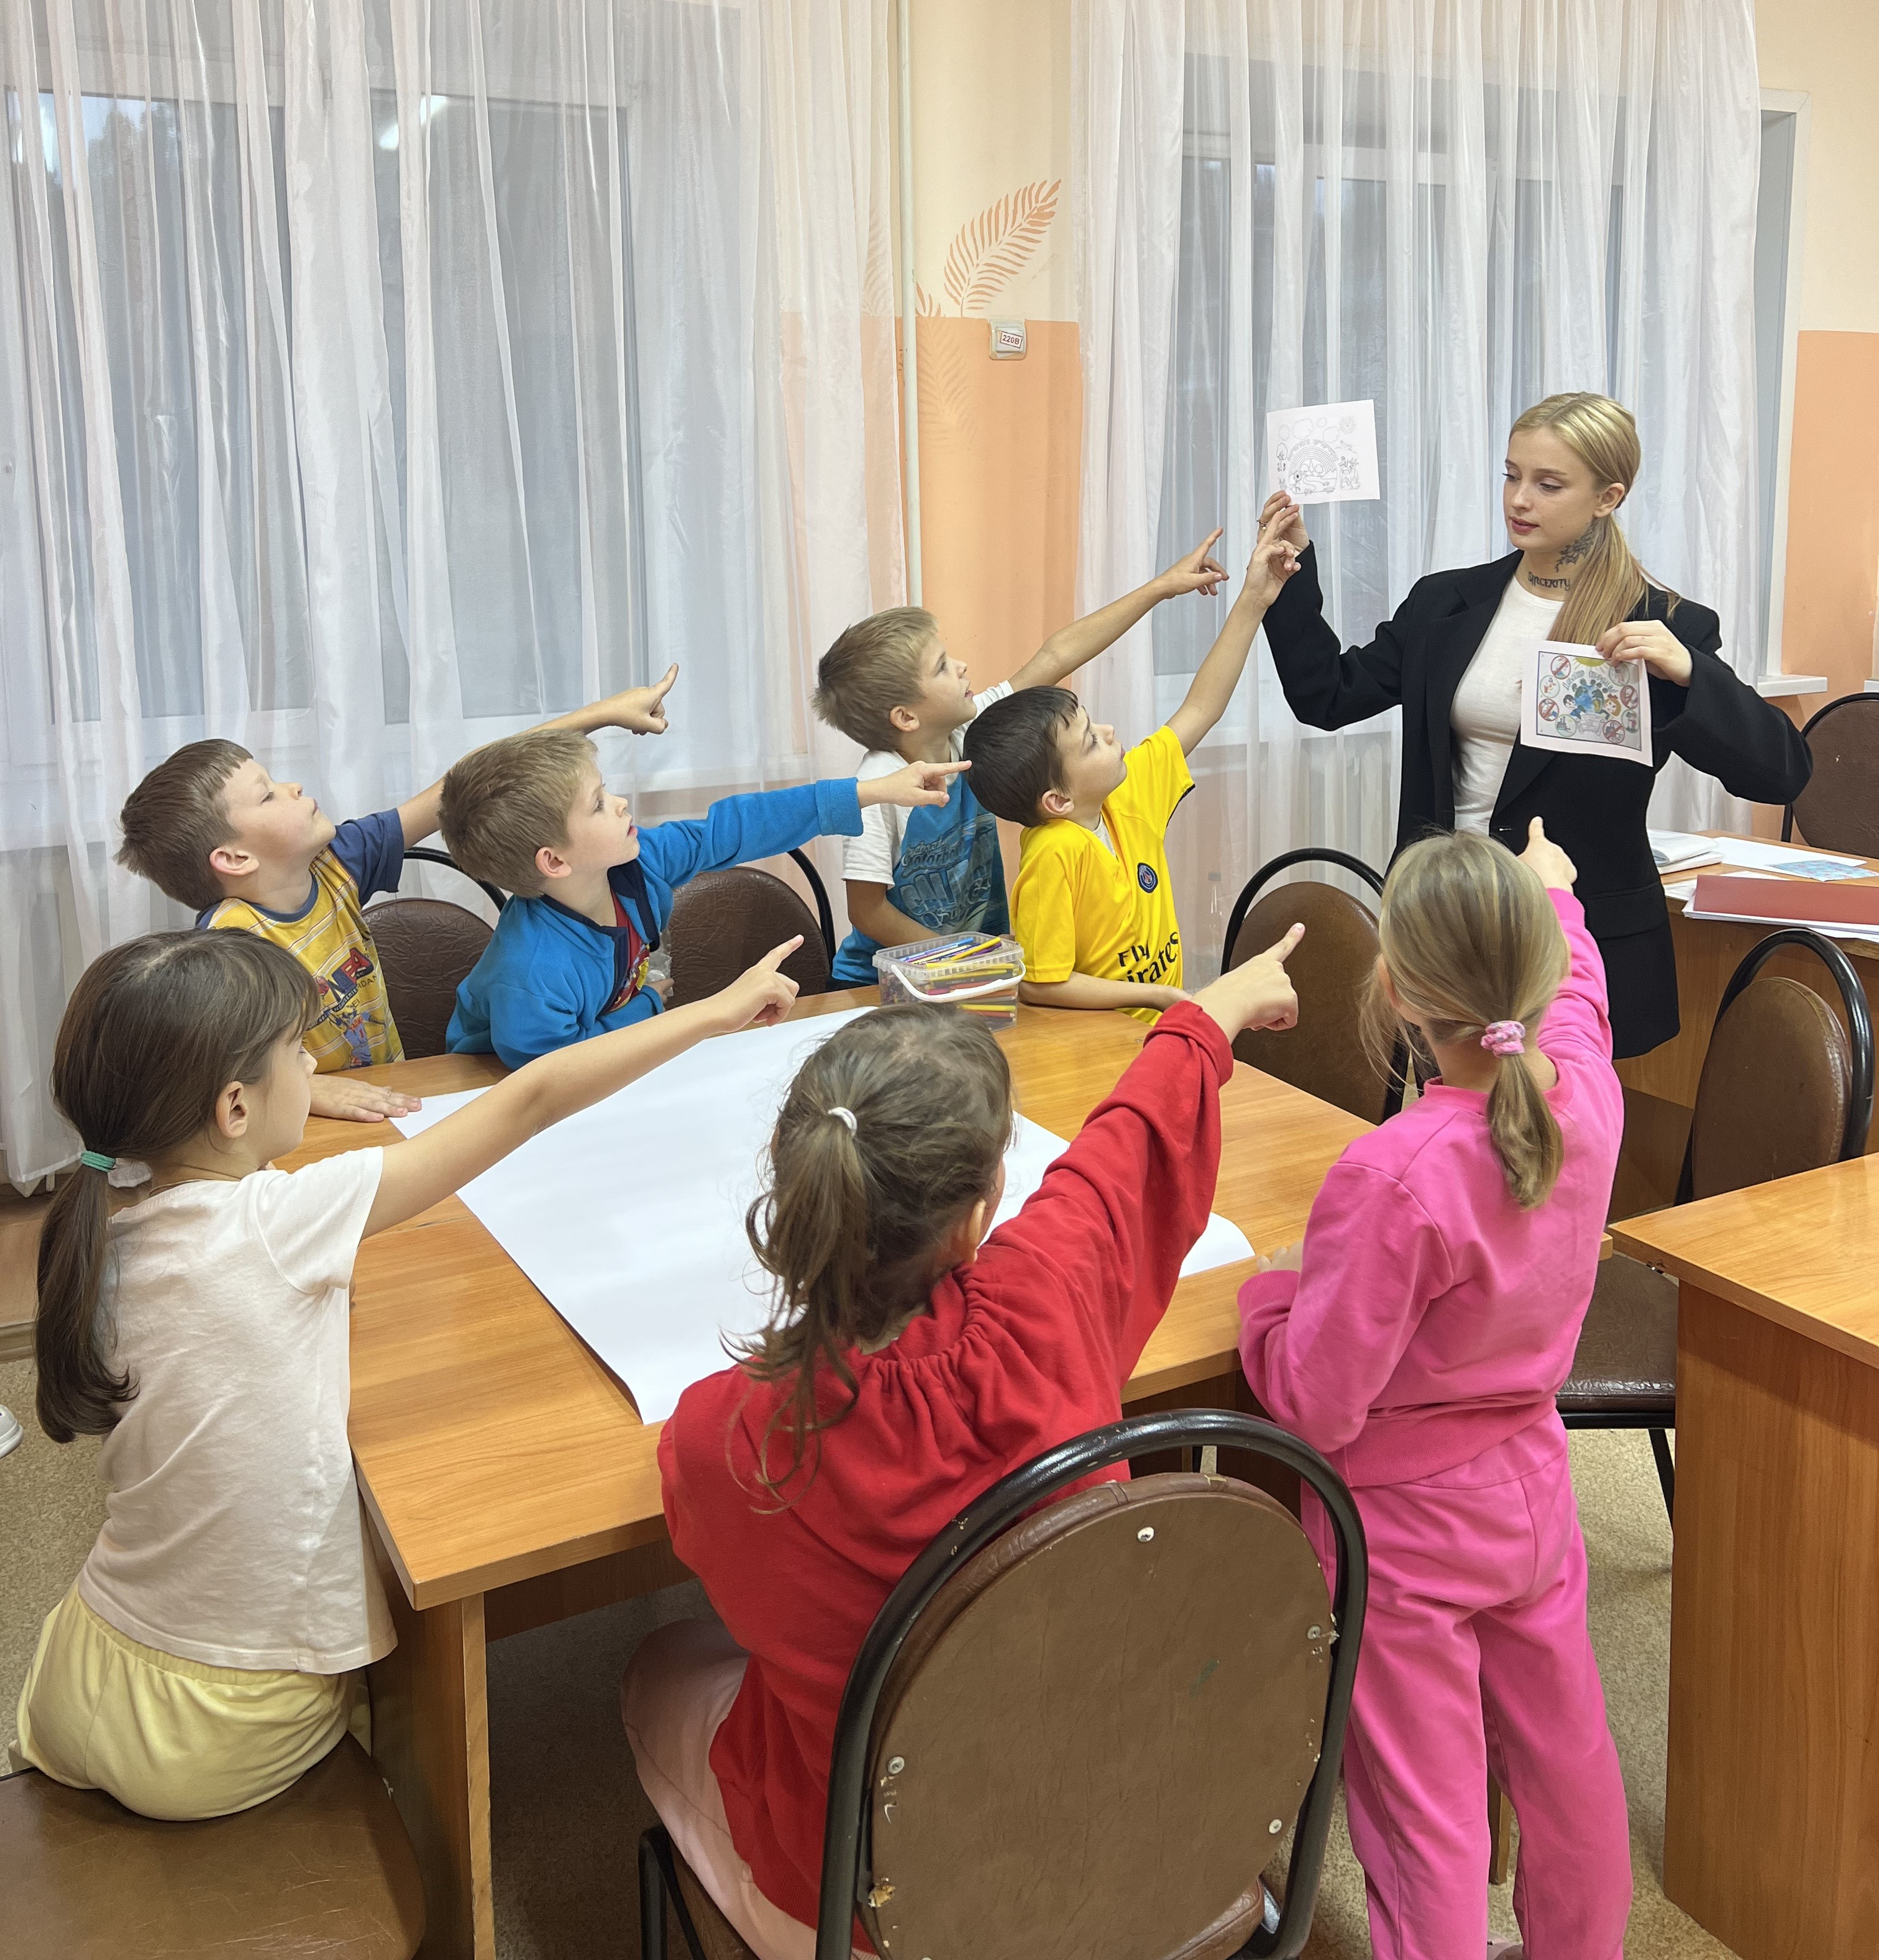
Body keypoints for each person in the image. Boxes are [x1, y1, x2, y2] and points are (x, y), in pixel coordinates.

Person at [16, 924, 802, 1821]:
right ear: (234, 1109)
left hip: (83, 1664)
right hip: (225, 1720)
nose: (311, 1069)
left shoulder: (101, 1232)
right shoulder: (277, 1223)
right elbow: (533, 1099)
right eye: (297, 1054)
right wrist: (714, 1013)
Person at [633, 926, 1306, 1959]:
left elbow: (713, 1557)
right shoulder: (1048, 1298)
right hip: (1111, 1813)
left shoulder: (728, 1437)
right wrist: (1210, 1013)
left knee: (658, 1663)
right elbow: (1126, 1150)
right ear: (976, 1214)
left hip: (873, 1907)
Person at [1238, 820, 1630, 1960]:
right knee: (1568, 1759)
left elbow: (1317, 1403)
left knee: (1427, 1816)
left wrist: (1270, 1300)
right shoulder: (1588, 1099)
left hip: (1401, 1533)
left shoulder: (1393, 1174)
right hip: (1532, 1492)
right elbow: (1580, 1002)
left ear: (1397, 992)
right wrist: (1555, 894)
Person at [1257, 390, 1811, 1057]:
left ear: (1608, 497)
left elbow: (1780, 774)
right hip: (1449, 923)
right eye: (1512, 475)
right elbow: (1327, 697)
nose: (1519, 500)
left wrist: (1692, 672)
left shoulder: (1659, 624)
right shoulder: (1445, 603)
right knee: (1449, 1116)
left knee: (1560, 1122)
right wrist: (1290, 576)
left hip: (1575, 942)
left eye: (1548, 485)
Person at [113, 670, 681, 1122]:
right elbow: (212, 1072)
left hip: (390, 1096)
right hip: (296, 1123)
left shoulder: (338, 863)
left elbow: (474, 781)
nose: (293, 787)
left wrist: (601, 714)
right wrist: (314, 1093)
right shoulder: (227, 944)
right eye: (267, 796)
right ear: (235, 859)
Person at [811, 532, 1228, 985]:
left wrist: (1162, 587)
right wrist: (958, 960)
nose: (962, 666)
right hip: (879, 984)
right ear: (907, 717)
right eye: (942, 667)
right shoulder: (877, 790)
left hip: (971, 971)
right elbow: (866, 910)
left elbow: (1056, 655)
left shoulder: (971, 733)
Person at [439, 729, 962, 1067]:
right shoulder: (530, 972)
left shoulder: (635, 864)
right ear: (554, 862)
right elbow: (555, 1077)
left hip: (615, 1057)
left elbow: (737, 827)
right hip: (489, 1084)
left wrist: (871, 791)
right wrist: (647, 1005)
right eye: (598, 804)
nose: (621, 804)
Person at [965, 527, 1299, 1019]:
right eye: (1090, 741)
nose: (1109, 731)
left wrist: (1254, 599)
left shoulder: (1124, 793)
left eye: (1093, 723)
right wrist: (1154, 995)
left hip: (1157, 1032)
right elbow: (1042, 985)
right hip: (1100, 1048)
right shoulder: (1054, 853)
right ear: (1058, 800)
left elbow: (1201, 707)